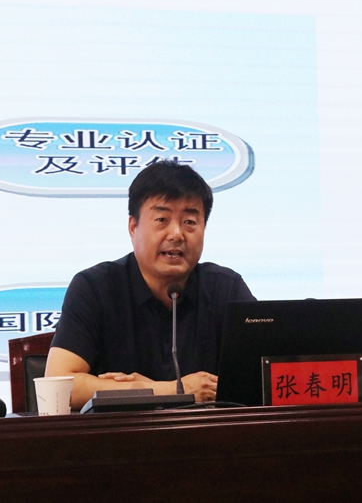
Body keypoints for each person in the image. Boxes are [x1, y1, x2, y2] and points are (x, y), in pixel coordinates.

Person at [45, 160, 255, 409]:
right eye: (162, 219)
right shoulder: (95, 288)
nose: (176, 234)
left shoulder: (226, 288)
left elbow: (266, 375)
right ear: (133, 227)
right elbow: (58, 387)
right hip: (123, 432)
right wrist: (170, 390)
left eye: (189, 222)